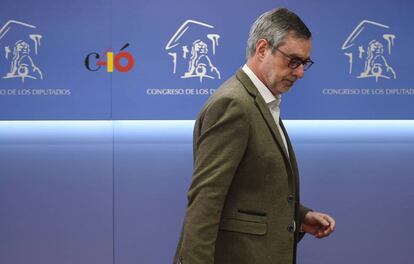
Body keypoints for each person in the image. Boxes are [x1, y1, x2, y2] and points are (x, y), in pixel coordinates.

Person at [174, 8, 335, 264]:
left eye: (304, 63)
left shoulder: (261, 101)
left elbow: (251, 188)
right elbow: (206, 199)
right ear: (262, 49)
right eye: (292, 60)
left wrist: (299, 216)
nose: (300, 72)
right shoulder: (234, 104)